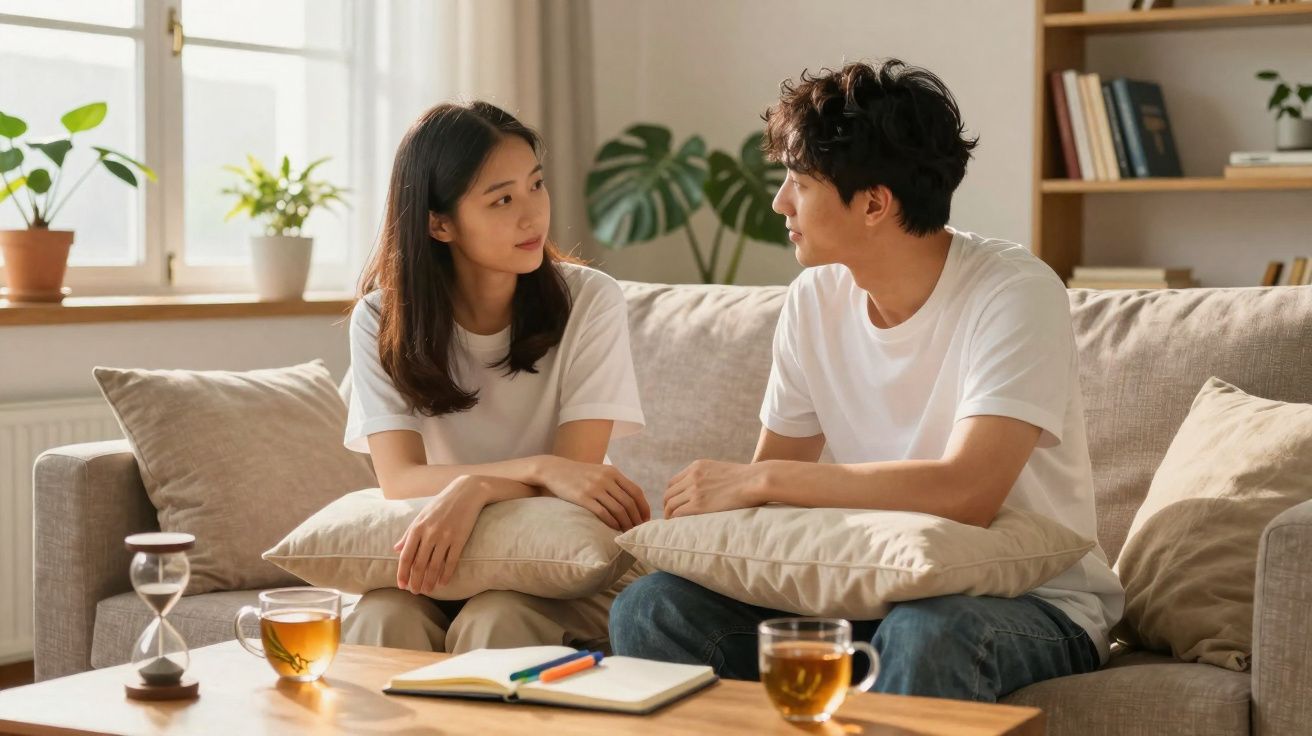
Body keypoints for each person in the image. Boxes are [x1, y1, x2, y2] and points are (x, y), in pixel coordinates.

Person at [609, 60, 1124, 702]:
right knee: (652, 607)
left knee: (927, 630)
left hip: (1028, 603)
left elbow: (968, 492)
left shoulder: (1015, 294)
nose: (780, 203)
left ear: (875, 202)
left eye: (798, 180)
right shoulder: (813, 300)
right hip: (869, 592)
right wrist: (745, 493)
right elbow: (765, 504)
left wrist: (761, 478)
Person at [341, 101, 649, 654]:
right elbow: (399, 480)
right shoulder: (379, 320)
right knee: (384, 617)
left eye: (536, 185)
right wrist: (533, 469)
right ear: (439, 223)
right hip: (443, 552)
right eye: (503, 199)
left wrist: (476, 487)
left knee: (496, 619)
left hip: (555, 554)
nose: (533, 216)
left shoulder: (590, 300)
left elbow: (575, 477)